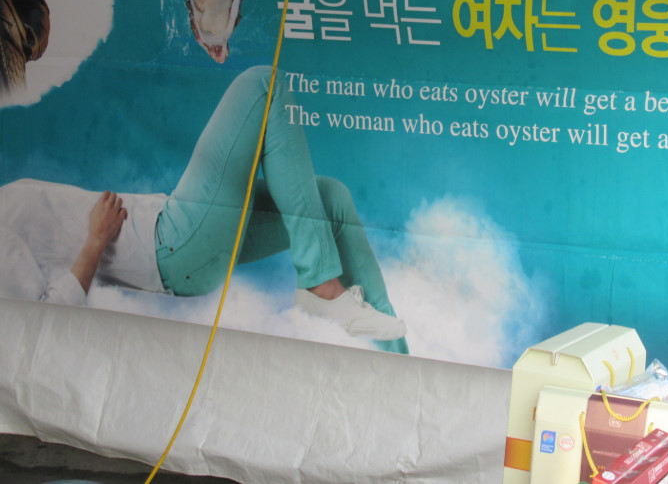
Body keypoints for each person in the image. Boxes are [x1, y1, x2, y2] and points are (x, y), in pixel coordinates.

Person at [0, 65, 407, 352]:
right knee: (262, 85)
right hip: (172, 246)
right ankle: (320, 285)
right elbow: (39, 325)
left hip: (173, 231)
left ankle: (398, 358)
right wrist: (95, 239)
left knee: (330, 199)